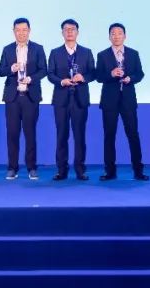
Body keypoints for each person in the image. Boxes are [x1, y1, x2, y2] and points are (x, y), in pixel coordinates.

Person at [96, 22, 148, 181]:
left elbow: (140, 74)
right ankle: (110, 171)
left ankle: (138, 171)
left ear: (125, 36)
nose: (116, 36)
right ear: (109, 37)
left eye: (119, 33)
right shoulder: (102, 55)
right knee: (109, 135)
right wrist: (111, 74)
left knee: (133, 134)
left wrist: (130, 78)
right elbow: (98, 77)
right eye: (113, 33)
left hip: (128, 100)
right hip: (109, 101)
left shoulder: (133, 53)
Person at [0, 17, 47, 180]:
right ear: (14, 31)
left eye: (24, 30)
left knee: (30, 133)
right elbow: (0, 71)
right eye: (18, 30)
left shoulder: (38, 48)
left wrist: (31, 78)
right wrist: (11, 68)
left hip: (30, 97)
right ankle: (12, 168)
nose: (21, 33)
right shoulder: (7, 49)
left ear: (29, 31)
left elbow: (44, 70)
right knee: (12, 133)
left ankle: (32, 167)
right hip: (12, 97)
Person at [47, 18, 95, 180]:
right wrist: (61, 81)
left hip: (80, 100)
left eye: (72, 29)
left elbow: (93, 73)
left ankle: (80, 170)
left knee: (79, 136)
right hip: (61, 100)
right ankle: (62, 170)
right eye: (66, 29)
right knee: (61, 135)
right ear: (62, 33)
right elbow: (50, 74)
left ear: (77, 32)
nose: (69, 32)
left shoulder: (87, 52)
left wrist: (84, 77)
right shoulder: (55, 52)